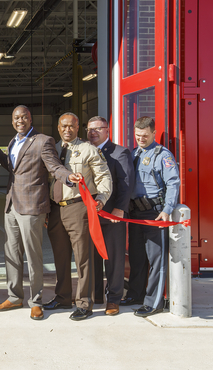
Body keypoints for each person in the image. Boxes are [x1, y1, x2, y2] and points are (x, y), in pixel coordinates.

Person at [0, 106, 76, 320]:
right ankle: (14, 296)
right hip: (12, 205)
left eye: (24, 117)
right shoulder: (13, 142)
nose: (20, 121)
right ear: (12, 121)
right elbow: (14, 168)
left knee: (32, 255)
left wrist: (68, 177)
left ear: (30, 118)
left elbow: (54, 167)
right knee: (12, 253)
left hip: (32, 206)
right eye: (16, 118)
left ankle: (36, 301)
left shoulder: (43, 141)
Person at [44, 112, 112, 321]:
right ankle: (63, 297)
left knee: (83, 258)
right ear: (58, 127)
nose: (67, 130)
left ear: (77, 128)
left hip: (78, 208)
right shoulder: (52, 150)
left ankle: (84, 303)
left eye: (71, 127)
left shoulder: (88, 150)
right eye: (63, 126)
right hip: (56, 210)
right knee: (61, 257)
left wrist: (101, 198)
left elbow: (103, 176)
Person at [125, 117, 180, 317]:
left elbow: (173, 183)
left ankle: (154, 302)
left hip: (154, 213)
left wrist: (167, 210)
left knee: (157, 259)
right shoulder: (133, 153)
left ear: (154, 133)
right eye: (138, 135)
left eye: (145, 136)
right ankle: (135, 294)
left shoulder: (162, 155)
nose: (141, 139)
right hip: (135, 213)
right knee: (137, 257)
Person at [86, 117, 134, 316]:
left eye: (98, 129)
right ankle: (95, 295)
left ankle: (113, 298)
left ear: (107, 131)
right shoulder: (84, 151)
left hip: (112, 214)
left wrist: (120, 209)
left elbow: (126, 182)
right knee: (91, 257)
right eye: (90, 129)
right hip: (89, 215)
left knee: (113, 259)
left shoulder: (119, 152)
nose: (93, 133)